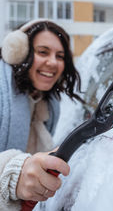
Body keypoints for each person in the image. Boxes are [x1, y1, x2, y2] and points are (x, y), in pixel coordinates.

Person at [0, 19, 83, 210]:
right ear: (19, 53)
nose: (52, 62)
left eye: (60, 56)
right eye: (43, 52)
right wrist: (11, 174)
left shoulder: (49, 105)